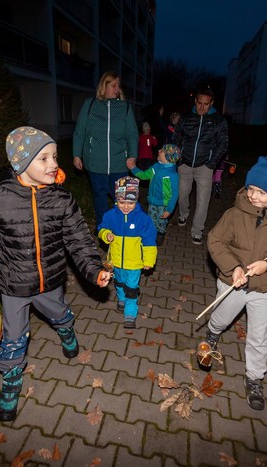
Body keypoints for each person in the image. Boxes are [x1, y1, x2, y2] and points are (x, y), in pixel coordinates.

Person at [0, 126, 112, 422]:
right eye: (43, 158)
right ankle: (11, 383)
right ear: (21, 163)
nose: (53, 164)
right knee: (13, 337)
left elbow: (79, 240)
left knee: (58, 313)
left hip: (50, 281)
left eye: (55, 157)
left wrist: (94, 269)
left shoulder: (61, 200)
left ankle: (66, 329)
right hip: (13, 284)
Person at [198, 151, 267, 411]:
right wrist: (233, 267)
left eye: (262, 192)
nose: (254, 195)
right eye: (251, 189)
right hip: (233, 282)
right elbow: (215, 240)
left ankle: (255, 378)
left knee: (259, 334)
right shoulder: (234, 214)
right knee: (222, 317)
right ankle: (213, 331)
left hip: (265, 288)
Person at [73, 71, 139, 226]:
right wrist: (76, 154)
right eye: (113, 85)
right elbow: (80, 131)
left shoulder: (125, 107)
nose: (117, 89)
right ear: (104, 86)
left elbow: (132, 134)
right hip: (95, 164)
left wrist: (132, 155)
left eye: (118, 86)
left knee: (123, 201)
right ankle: (104, 230)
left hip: (119, 164)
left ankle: (122, 230)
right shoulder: (90, 105)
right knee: (99, 199)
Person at [97, 176, 157, 329]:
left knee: (131, 287)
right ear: (116, 199)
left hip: (134, 263)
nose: (125, 206)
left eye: (130, 203)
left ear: (136, 200)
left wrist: (149, 260)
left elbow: (149, 241)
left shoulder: (143, 220)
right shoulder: (110, 215)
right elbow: (101, 228)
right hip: (116, 261)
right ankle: (121, 299)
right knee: (119, 282)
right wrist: (106, 234)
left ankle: (130, 313)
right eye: (121, 202)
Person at [173, 88, 229, 245]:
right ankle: (184, 214)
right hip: (185, 163)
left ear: (211, 103)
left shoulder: (218, 120)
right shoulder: (186, 117)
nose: (202, 107)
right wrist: (179, 158)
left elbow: (223, 143)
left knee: (203, 200)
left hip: (205, 166)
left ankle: (197, 230)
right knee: (182, 194)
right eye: (199, 103)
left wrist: (211, 163)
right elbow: (176, 137)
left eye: (206, 104)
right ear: (195, 101)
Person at [127, 144, 181, 246]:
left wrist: (169, 210)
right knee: (151, 221)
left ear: (168, 157)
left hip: (163, 205)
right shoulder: (155, 167)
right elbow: (144, 175)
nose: (159, 150)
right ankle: (150, 237)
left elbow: (175, 194)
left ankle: (160, 236)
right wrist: (133, 168)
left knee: (161, 223)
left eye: (162, 150)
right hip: (152, 201)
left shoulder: (173, 175)